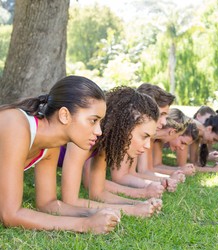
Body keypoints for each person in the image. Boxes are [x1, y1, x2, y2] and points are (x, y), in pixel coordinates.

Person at [0, 75, 121, 234]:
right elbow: (10, 214)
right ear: (64, 115)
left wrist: (92, 212)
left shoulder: (50, 147)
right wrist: (84, 224)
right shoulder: (15, 124)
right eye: (93, 120)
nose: (99, 131)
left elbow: (47, 203)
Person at [60, 86, 162, 216]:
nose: (148, 145)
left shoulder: (104, 142)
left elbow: (98, 192)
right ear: (124, 126)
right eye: (144, 136)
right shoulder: (84, 136)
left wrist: (137, 204)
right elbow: (70, 201)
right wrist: (131, 210)